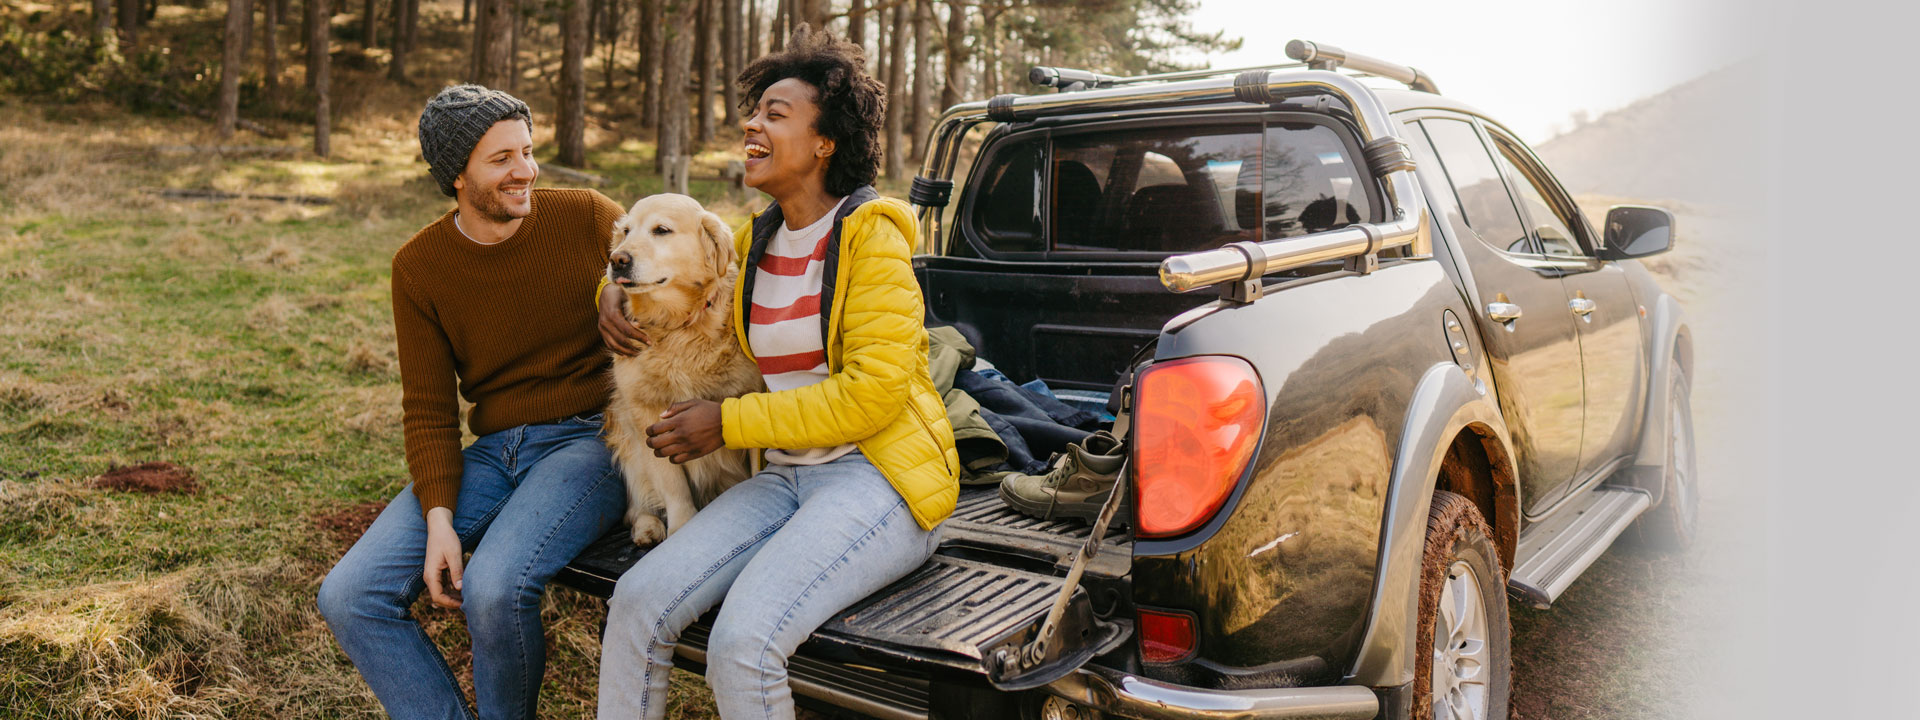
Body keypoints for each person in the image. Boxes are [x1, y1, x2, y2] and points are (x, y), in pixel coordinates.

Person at [593, 27, 960, 720]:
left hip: (877, 479)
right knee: (638, 602)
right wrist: (609, 292)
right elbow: (672, 269)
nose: (751, 125)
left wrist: (727, 422)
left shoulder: (871, 237)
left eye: (775, 115)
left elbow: (871, 396)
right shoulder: (753, 239)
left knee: (742, 641)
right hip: (782, 474)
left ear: (825, 143)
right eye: (752, 113)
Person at [317, 85, 632, 720]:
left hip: (591, 440)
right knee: (350, 595)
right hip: (493, 452)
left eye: (528, 150)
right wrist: (440, 518)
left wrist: (610, 283)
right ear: (457, 175)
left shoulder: (588, 215)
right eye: (501, 159)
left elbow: (665, 261)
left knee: (494, 587)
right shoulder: (420, 267)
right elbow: (428, 410)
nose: (526, 171)